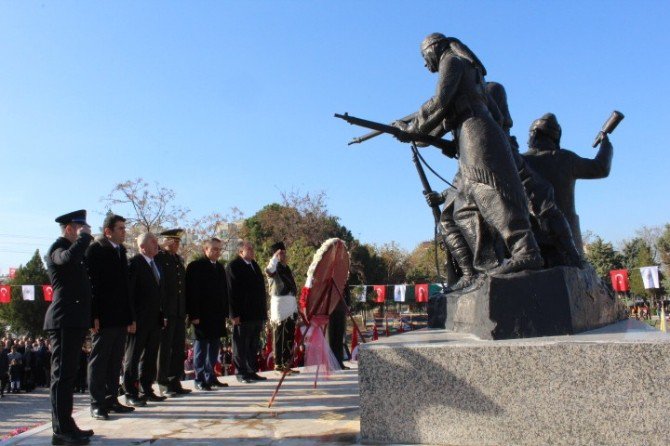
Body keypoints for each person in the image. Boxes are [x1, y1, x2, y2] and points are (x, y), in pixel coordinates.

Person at [395, 34, 542, 275]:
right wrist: (411, 133)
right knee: (464, 208)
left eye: (424, 56)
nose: (425, 64)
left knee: (489, 191)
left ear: (433, 48)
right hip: (469, 133)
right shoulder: (466, 70)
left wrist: (413, 127)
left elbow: (440, 102)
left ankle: (525, 250)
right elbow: (443, 118)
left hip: (476, 133)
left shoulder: (451, 61)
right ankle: (485, 266)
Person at [522, 113, 613, 253]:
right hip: (567, 237)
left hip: (531, 238)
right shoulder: (565, 159)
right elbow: (601, 168)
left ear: (533, 134)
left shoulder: (519, 162)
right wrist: (606, 145)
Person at [44, 209, 94, 445]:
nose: (84, 232)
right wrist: (84, 239)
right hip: (63, 320)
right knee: (62, 375)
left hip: (74, 320)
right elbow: (67, 259)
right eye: (80, 229)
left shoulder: (75, 251)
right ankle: (61, 428)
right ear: (68, 229)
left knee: (69, 374)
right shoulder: (57, 249)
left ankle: (67, 422)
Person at [84, 213, 135, 420]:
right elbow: (92, 285)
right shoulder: (95, 250)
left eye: (124, 228)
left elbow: (126, 288)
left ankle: (111, 398)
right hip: (103, 316)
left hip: (120, 316)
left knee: (115, 361)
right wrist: (93, 315)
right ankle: (97, 403)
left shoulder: (121, 251)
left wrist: (130, 316)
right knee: (99, 361)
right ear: (108, 231)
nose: (124, 232)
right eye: (120, 228)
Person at [122, 233, 166, 406]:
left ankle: (146, 388)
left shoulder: (157, 264)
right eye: (152, 242)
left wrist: (162, 316)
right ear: (142, 247)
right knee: (132, 357)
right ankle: (130, 391)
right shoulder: (134, 263)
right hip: (138, 320)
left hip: (155, 319)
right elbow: (130, 294)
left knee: (150, 356)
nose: (157, 244)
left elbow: (160, 294)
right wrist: (130, 319)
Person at [185, 237, 230, 390]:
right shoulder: (195, 266)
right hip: (202, 316)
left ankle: (210, 376)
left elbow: (224, 292)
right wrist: (194, 315)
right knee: (201, 349)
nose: (217, 252)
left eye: (219, 249)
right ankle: (199, 378)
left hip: (217, 316)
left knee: (214, 348)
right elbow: (192, 292)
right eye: (214, 249)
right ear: (205, 250)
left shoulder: (219, 268)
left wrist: (225, 312)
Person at [154, 229, 190, 396]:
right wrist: (161, 247)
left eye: (178, 242)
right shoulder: (160, 258)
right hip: (167, 311)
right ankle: (163, 383)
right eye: (173, 241)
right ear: (166, 241)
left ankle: (175, 381)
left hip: (179, 311)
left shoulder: (178, 260)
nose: (176, 244)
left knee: (177, 348)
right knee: (165, 348)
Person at [226, 241, 268, 384]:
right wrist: (234, 314)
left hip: (256, 313)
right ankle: (241, 372)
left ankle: (251, 370)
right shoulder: (234, 266)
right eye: (248, 249)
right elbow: (231, 292)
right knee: (241, 344)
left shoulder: (254, 265)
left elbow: (261, 290)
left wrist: (263, 313)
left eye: (252, 248)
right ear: (240, 252)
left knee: (253, 344)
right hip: (242, 315)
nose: (251, 251)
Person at [265, 241, 300, 374]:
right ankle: (278, 364)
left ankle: (287, 363)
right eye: (281, 253)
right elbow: (269, 270)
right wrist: (274, 257)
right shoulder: (273, 266)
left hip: (290, 303)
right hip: (279, 302)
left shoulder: (286, 267)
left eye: (284, 253)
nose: (283, 255)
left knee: (289, 333)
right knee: (279, 333)